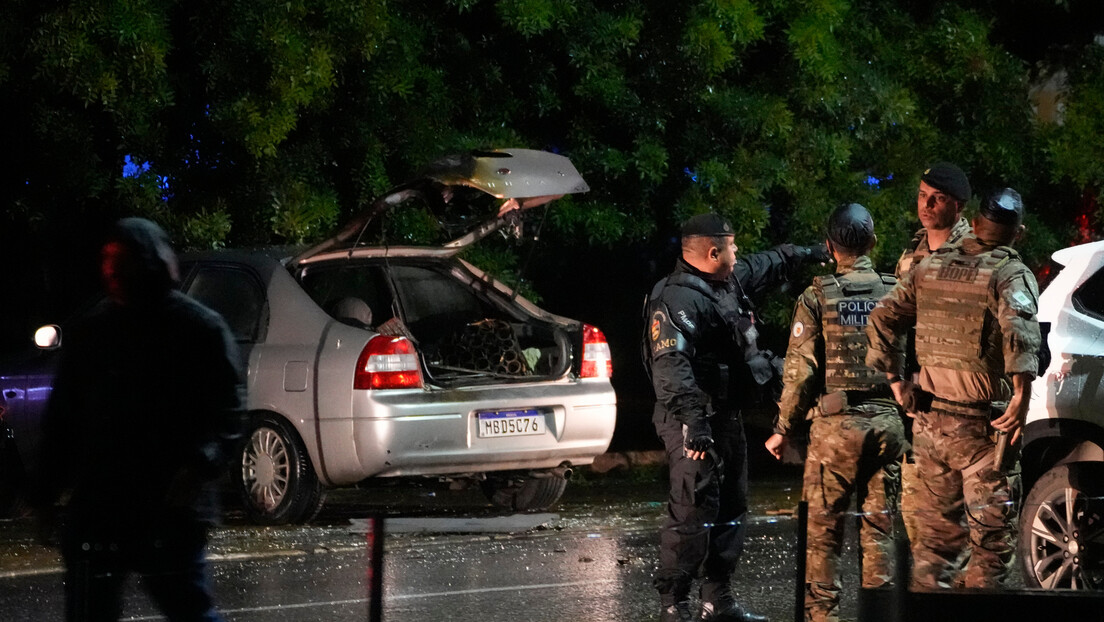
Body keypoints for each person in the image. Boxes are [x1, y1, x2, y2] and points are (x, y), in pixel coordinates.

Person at [35, 218, 246, 621]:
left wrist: (198, 466)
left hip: (167, 506)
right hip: (103, 505)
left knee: (188, 609)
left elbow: (228, 411)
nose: (112, 270)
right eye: (108, 259)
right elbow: (64, 417)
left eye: (123, 260)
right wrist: (45, 495)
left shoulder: (197, 329)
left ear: (150, 264)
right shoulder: (95, 332)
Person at [645, 212, 830, 622]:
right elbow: (671, 367)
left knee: (732, 505)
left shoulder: (723, 281)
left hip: (726, 415)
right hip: (690, 419)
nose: (737, 252)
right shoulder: (677, 299)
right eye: (732, 246)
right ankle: (673, 605)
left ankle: (717, 599)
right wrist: (693, 424)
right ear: (713, 252)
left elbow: (764, 264)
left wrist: (806, 253)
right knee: (693, 509)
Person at [866, 188, 1040, 589]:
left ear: (975, 224)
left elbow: (882, 317)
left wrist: (895, 382)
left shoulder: (931, 266)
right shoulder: (1010, 272)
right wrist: (1021, 394)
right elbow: (1020, 330)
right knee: (990, 551)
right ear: (1019, 233)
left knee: (933, 553)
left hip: (929, 427)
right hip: (983, 430)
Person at [765, 203, 907, 622]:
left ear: (829, 247)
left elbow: (801, 372)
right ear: (873, 242)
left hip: (835, 433)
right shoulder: (896, 290)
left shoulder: (817, 297)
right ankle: (879, 616)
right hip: (888, 425)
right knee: (880, 531)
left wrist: (782, 428)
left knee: (823, 536)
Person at [894, 162, 973, 553]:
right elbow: (895, 323)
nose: (926, 205)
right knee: (922, 516)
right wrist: (898, 383)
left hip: (966, 400)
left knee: (976, 525)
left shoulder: (978, 252)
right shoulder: (912, 254)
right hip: (920, 398)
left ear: (957, 206)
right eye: (922, 196)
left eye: (937, 198)